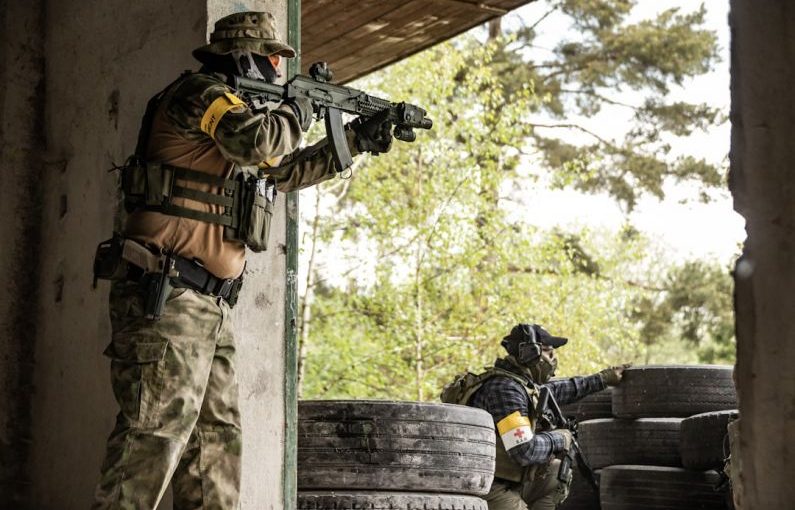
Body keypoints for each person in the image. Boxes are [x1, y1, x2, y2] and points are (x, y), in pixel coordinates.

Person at [91, 11, 394, 510]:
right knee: (152, 438)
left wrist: (356, 140)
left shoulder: (244, 123)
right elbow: (259, 141)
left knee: (215, 448)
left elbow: (285, 169)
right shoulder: (201, 95)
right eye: (273, 57)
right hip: (167, 297)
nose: (278, 68)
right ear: (246, 57)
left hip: (209, 307)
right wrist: (299, 109)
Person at [441, 323, 629, 510]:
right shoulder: (505, 391)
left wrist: (604, 378)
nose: (553, 359)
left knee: (557, 473)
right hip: (484, 485)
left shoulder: (520, 385)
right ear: (530, 353)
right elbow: (524, 451)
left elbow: (561, 390)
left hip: (505, 479)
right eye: (549, 352)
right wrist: (559, 438)